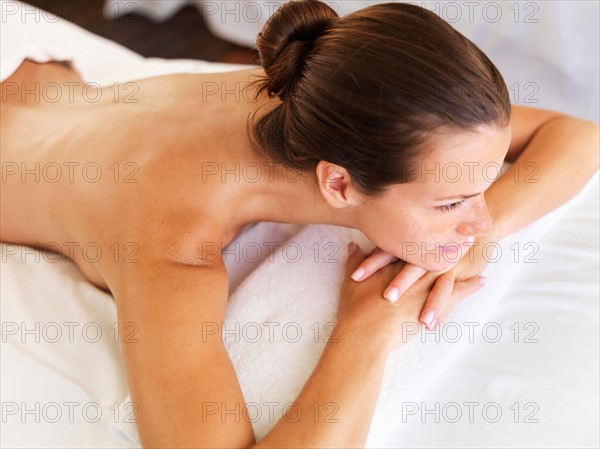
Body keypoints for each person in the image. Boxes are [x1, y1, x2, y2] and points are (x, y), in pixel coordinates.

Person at [1, 0, 598, 447]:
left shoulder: (328, 99)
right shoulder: (170, 239)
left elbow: (576, 134)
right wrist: (368, 329)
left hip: (41, 84)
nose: (478, 216)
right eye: (450, 204)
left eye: (483, 185)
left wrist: (484, 237)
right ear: (338, 183)